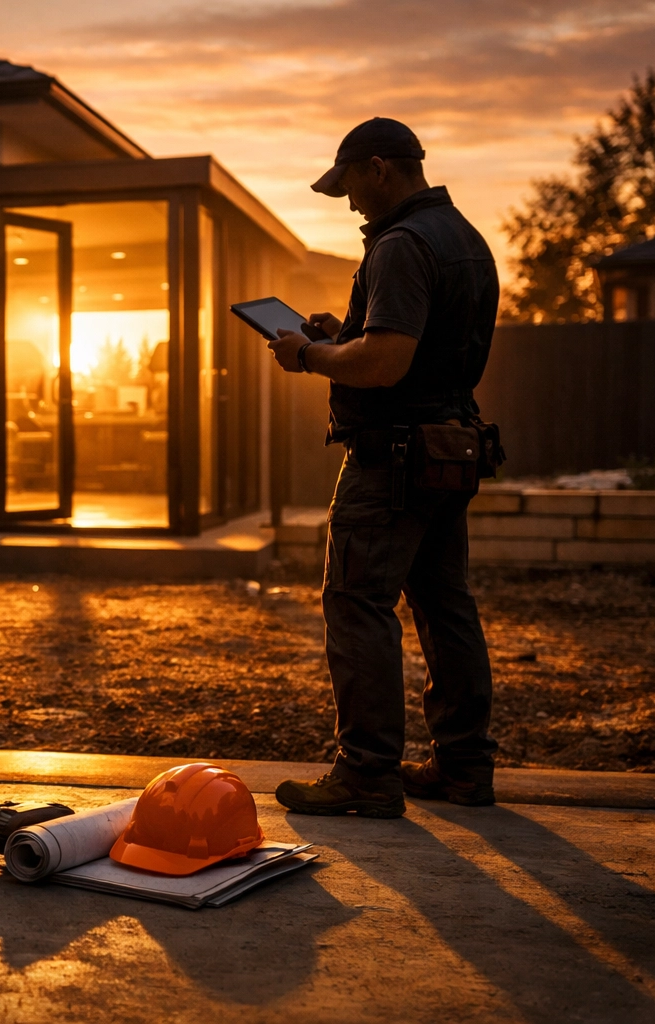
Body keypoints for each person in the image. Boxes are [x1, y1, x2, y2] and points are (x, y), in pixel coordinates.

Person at [269, 117, 500, 819]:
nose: (348, 204)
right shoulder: (465, 238)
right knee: (444, 605)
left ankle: (367, 774)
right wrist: (345, 336)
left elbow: (386, 362)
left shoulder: (401, 246)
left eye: (349, 187)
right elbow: (411, 350)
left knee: (357, 603)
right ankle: (463, 768)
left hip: (392, 459)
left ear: (379, 168)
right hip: (448, 450)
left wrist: (309, 356)